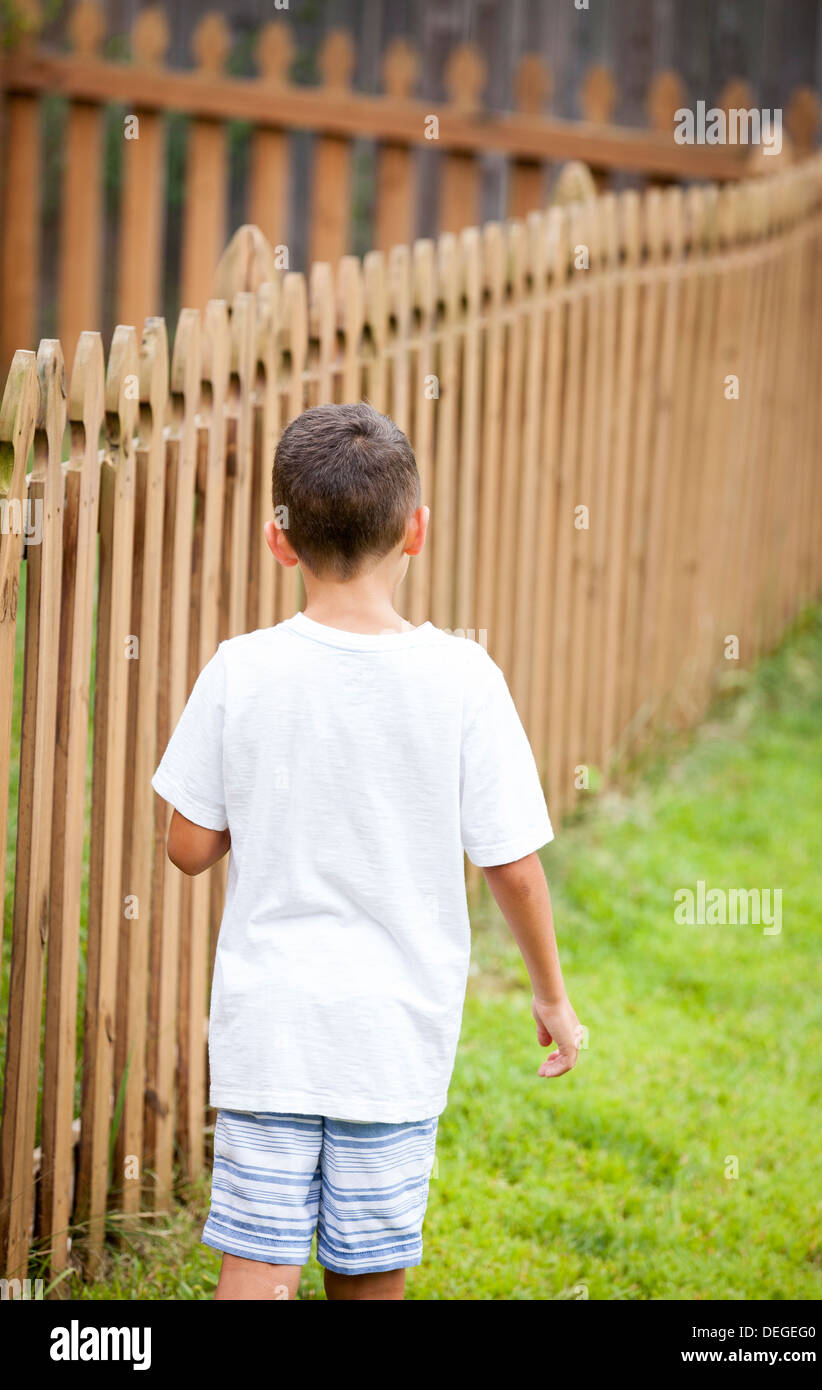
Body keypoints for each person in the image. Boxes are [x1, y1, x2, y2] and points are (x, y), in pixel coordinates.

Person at [152, 401, 582, 1301]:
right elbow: (511, 862)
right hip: (389, 1043)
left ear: (280, 539)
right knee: (370, 1271)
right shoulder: (464, 677)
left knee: (258, 1267)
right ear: (416, 530)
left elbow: (188, 847)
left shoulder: (241, 667)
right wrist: (551, 994)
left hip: (270, 1030)